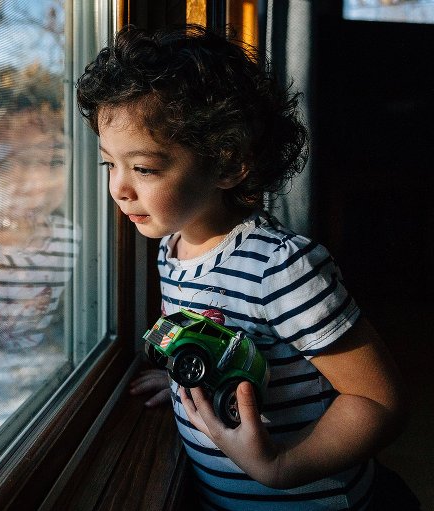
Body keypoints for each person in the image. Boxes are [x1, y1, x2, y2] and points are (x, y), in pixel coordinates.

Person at [76, 24, 413, 510]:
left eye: (144, 168)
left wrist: (280, 466)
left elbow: (380, 401)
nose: (119, 188)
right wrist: (180, 378)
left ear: (228, 163)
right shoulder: (171, 246)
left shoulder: (281, 268)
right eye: (110, 164)